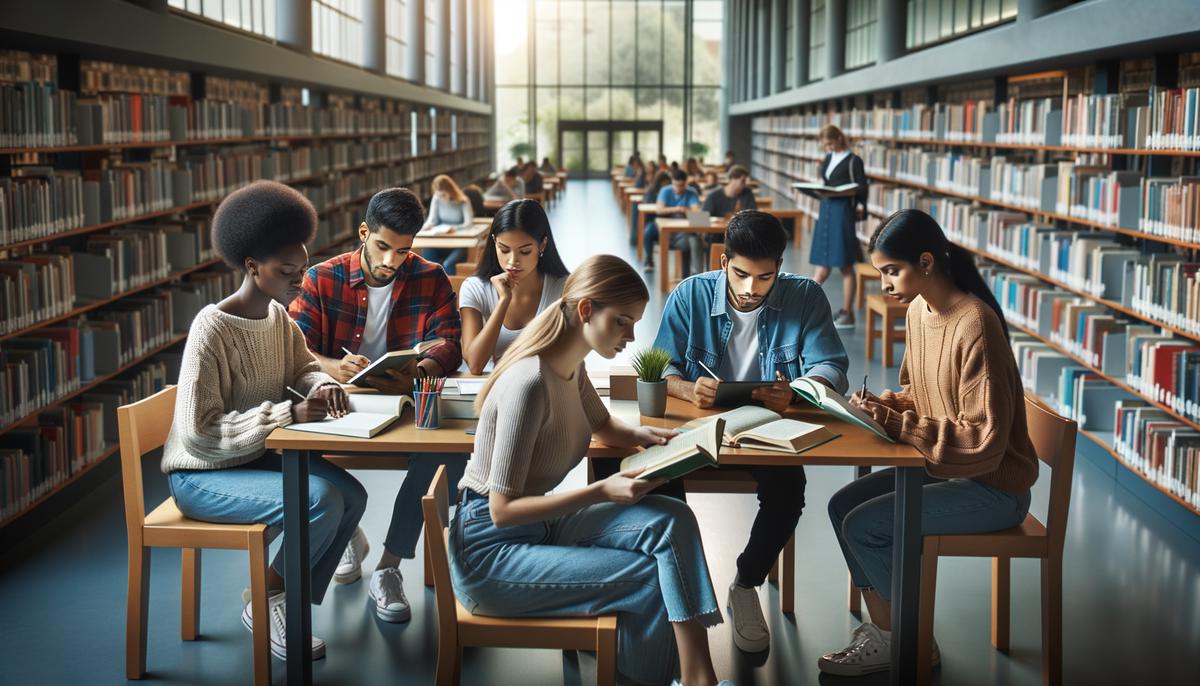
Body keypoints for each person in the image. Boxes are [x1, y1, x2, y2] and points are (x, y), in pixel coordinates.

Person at [451, 254, 731, 686]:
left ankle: (698, 679)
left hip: (538, 525)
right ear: (586, 310)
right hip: (490, 554)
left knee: (673, 519)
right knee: (646, 577)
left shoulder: (569, 365)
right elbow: (501, 511)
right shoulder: (530, 384)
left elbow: (603, 425)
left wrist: (650, 436)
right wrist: (603, 492)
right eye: (622, 321)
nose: (632, 336)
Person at [818, 209, 1038, 677]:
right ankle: (892, 634)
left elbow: (984, 439)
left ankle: (909, 640)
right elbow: (922, 393)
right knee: (841, 508)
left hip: (993, 486)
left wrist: (898, 425)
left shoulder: (974, 323)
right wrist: (883, 405)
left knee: (865, 527)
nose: (884, 285)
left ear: (925, 262)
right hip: (947, 468)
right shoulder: (920, 310)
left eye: (891, 272)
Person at [161, 180, 365, 661]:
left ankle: (276, 594)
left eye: (303, 269)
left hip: (250, 459)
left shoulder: (278, 317)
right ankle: (271, 601)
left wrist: (322, 386)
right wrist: (285, 413)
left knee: (352, 497)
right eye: (287, 271)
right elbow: (200, 431)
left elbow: (304, 369)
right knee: (320, 502)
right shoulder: (212, 328)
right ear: (252, 267)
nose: (300, 280)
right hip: (200, 474)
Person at [638, 210, 849, 654]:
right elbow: (660, 366)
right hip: (699, 428)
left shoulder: (806, 296)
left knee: (789, 490)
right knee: (660, 482)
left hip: (769, 428)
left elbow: (831, 366)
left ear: (779, 268)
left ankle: (746, 584)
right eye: (741, 274)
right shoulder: (689, 295)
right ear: (723, 262)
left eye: (765, 277)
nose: (752, 288)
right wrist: (685, 386)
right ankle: (680, 599)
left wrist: (796, 392)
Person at [288, 187, 466, 624]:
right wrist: (332, 366)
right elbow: (292, 347)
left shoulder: (431, 277)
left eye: (403, 251)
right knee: (289, 451)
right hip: (338, 402)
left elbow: (452, 344)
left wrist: (422, 369)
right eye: (383, 246)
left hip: (404, 403)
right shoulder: (321, 277)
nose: (391, 261)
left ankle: (388, 567)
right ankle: (348, 533)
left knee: (447, 454)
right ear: (364, 232)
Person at [460, 199, 570, 374]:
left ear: (542, 244)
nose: (512, 262)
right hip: (491, 391)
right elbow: (475, 364)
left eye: (525, 251)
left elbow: (567, 362)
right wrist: (504, 300)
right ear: (494, 242)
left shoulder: (564, 288)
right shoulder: (474, 288)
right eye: (504, 249)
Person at [808, 124, 869, 331]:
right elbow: (826, 181)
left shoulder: (853, 161)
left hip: (842, 212)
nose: (828, 148)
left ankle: (847, 312)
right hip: (826, 210)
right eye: (825, 145)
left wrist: (844, 195)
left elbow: (861, 187)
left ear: (839, 139)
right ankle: (803, 304)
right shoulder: (828, 158)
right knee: (822, 265)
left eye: (831, 143)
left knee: (844, 264)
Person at [646, 169, 703, 276]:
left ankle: (685, 276)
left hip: (682, 230)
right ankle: (649, 260)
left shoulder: (692, 192)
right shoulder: (665, 190)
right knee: (648, 230)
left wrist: (685, 210)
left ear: (686, 183)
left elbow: (697, 213)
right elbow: (659, 210)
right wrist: (677, 209)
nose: (678, 188)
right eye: (675, 185)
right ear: (672, 182)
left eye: (681, 185)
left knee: (686, 244)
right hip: (663, 225)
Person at [420, 174, 475, 275]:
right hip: (441, 242)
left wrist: (453, 228)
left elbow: (468, 224)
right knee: (427, 255)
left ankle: (448, 290)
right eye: (439, 195)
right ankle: (430, 286)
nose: (441, 198)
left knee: (448, 264)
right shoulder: (437, 198)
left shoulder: (463, 200)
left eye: (443, 195)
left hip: (458, 244)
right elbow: (432, 219)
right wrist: (427, 226)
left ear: (450, 191)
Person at [638, 170, 673, 269]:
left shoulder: (672, 192)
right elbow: (647, 205)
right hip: (655, 220)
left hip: (671, 221)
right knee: (648, 231)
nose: (665, 185)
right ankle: (649, 259)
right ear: (659, 182)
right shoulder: (651, 191)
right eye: (663, 183)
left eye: (667, 182)